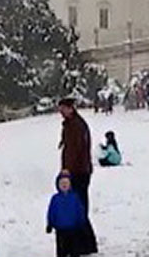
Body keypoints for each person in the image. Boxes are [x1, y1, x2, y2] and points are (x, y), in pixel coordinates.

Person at [58, 97, 98, 254]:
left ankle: (86, 243)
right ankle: (83, 243)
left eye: (63, 109)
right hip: (76, 171)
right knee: (76, 208)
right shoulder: (70, 125)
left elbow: (76, 151)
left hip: (79, 172)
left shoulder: (76, 125)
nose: (60, 112)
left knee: (79, 208)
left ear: (70, 108)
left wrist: (68, 170)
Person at [46, 170, 88, 257]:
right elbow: (51, 212)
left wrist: (81, 222)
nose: (64, 185)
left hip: (73, 229)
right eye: (62, 183)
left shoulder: (75, 197)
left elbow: (79, 211)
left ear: (70, 184)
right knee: (62, 251)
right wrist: (50, 224)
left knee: (74, 250)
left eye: (66, 183)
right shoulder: (55, 199)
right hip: (60, 230)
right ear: (58, 185)